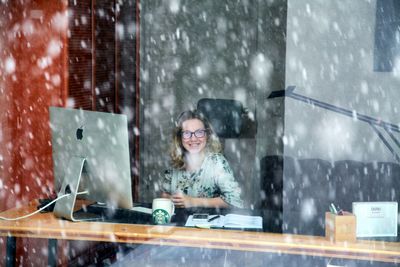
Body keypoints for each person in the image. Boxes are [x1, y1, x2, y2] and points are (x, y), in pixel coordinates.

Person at [161, 110, 243, 208]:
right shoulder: (175, 162)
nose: (193, 139)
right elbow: (164, 196)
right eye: (187, 133)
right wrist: (174, 200)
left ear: (207, 135)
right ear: (180, 138)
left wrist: (192, 202)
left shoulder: (216, 162)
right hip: (179, 222)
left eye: (199, 132)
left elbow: (234, 200)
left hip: (209, 222)